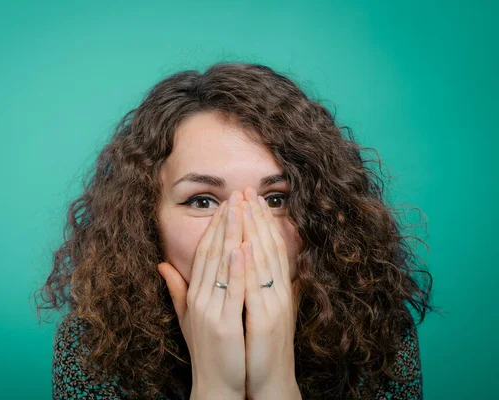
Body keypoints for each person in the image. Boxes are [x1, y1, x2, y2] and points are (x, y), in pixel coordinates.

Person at [35, 62, 437, 399]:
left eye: (276, 199)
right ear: (146, 219)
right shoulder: (92, 343)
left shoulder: (377, 333)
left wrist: (274, 383)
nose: (242, 233)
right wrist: (217, 387)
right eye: (202, 201)